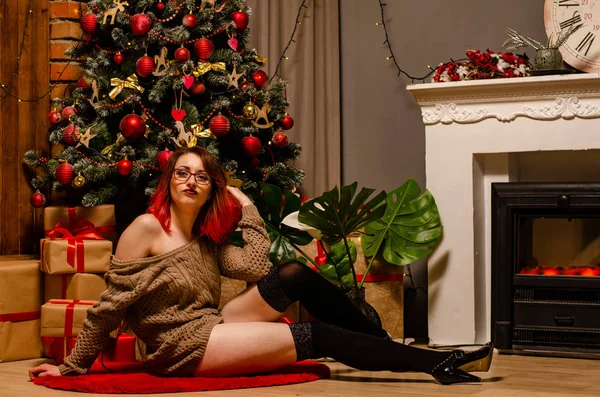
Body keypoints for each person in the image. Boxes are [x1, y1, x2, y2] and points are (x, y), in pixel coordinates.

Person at [29, 146, 493, 385]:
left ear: (213, 187)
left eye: (203, 176)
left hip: (208, 324)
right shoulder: (147, 228)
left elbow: (255, 267)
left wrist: (245, 204)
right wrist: (73, 367)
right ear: (169, 181)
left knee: (292, 275)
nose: (191, 181)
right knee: (315, 336)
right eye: (182, 173)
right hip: (180, 348)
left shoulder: (206, 236)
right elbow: (110, 307)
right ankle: (437, 363)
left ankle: (382, 345)